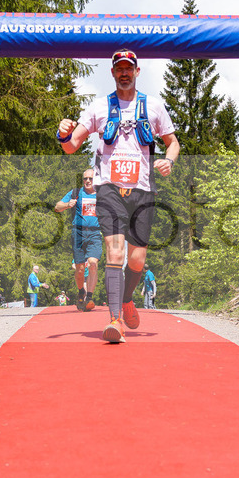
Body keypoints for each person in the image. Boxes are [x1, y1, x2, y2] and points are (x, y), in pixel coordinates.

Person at [56, 48, 180, 343]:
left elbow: (172, 143)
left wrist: (169, 160)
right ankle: (114, 320)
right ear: (113, 73)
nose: (124, 73)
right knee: (115, 252)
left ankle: (126, 300)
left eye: (129, 68)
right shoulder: (99, 107)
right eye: (119, 69)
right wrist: (63, 133)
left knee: (136, 260)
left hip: (143, 190)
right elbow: (71, 146)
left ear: (137, 72)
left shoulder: (154, 106)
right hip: (108, 188)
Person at [55, 169, 100, 312]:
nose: (88, 181)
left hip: (94, 233)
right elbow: (57, 206)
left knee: (93, 264)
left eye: (91, 179)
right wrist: (68, 204)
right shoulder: (76, 193)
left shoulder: (102, 195)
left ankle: (90, 297)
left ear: (96, 180)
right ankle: (81, 291)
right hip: (78, 233)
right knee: (80, 269)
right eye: (85, 179)